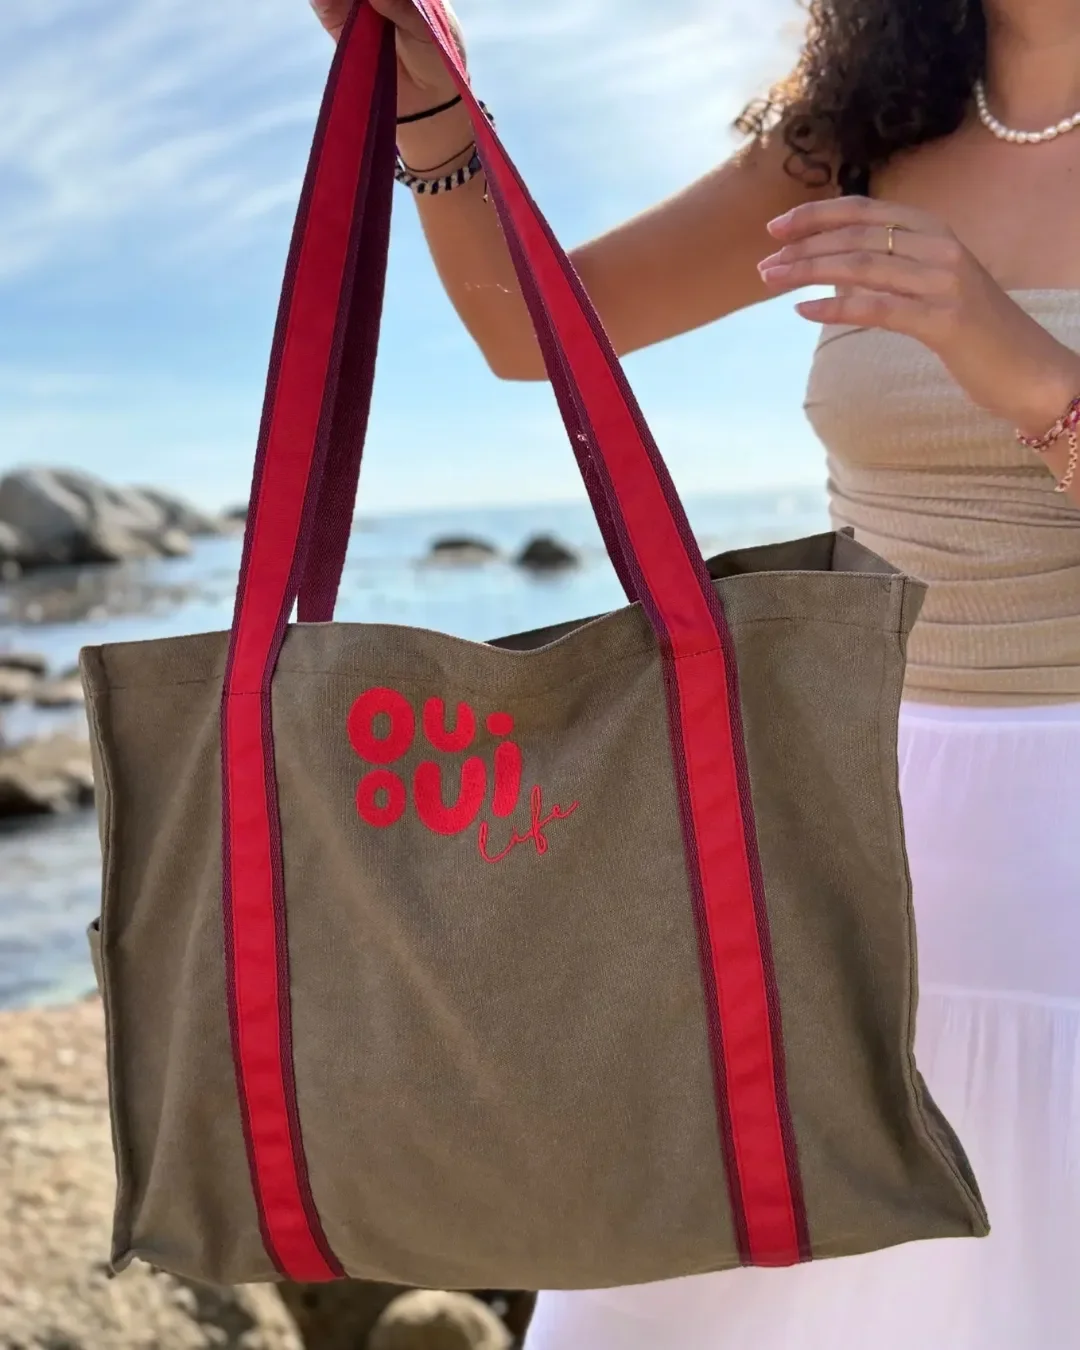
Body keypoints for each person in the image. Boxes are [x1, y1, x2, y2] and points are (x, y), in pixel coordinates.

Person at [312, 1, 1080, 1345]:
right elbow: (530, 325)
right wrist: (432, 93)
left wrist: (1028, 374)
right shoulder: (863, 130)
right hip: (831, 832)